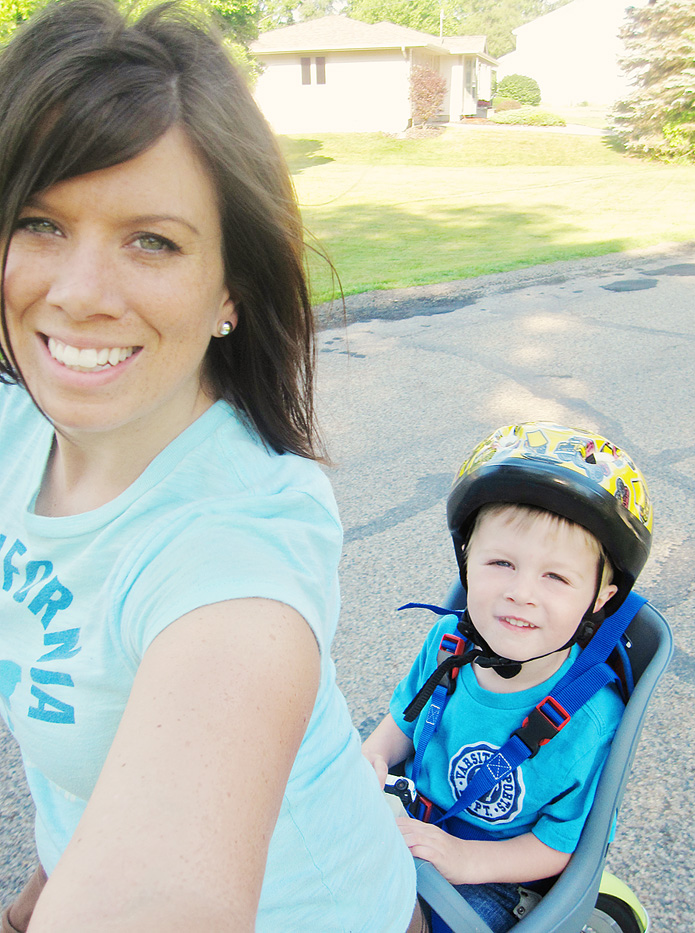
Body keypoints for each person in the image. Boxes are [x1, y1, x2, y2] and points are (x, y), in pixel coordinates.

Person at [0, 1, 416, 929]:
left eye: (152, 240)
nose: (79, 292)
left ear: (231, 286)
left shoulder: (240, 544)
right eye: (39, 222)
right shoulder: (15, 423)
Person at [362, 422, 653, 932]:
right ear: (466, 562)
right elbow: (404, 722)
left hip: (495, 873)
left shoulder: (588, 720)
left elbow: (560, 845)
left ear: (600, 599)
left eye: (555, 576)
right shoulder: (448, 644)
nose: (521, 592)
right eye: (501, 562)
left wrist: (465, 859)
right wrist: (371, 760)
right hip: (411, 821)